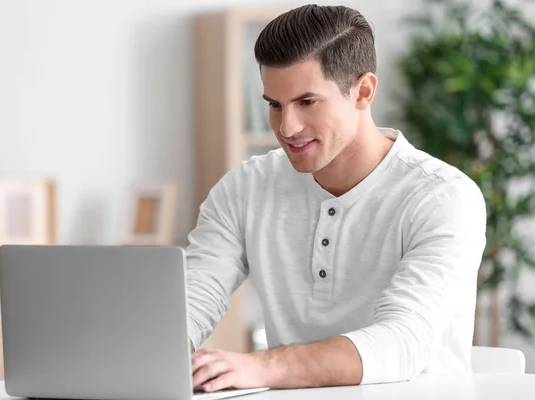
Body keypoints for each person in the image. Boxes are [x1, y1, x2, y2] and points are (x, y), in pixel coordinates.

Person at [186, 4, 487, 393]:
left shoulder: (443, 197)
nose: (286, 127)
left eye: (307, 102)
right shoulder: (246, 186)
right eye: (274, 105)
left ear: (363, 92)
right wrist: (154, 353)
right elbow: (192, 301)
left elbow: (403, 342)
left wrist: (262, 366)